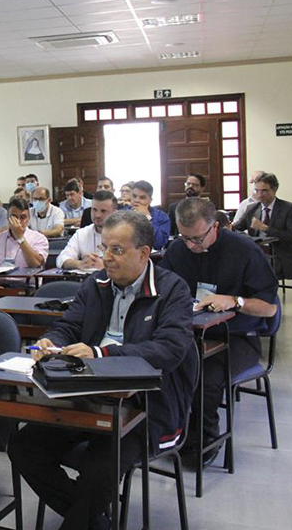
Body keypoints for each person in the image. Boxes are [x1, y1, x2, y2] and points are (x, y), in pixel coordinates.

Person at [11, 211, 197, 530]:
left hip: (147, 406)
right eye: (105, 248)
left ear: (143, 252)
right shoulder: (94, 284)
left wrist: (101, 352)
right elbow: (69, 326)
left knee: (100, 466)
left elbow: (169, 350)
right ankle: (91, 521)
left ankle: (79, 522)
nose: (106, 258)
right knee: (23, 446)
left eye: (117, 250)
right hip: (87, 396)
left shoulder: (172, 290)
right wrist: (49, 340)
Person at [164, 197, 279, 464]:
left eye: (197, 238)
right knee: (162, 366)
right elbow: (162, 286)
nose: (192, 245)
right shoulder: (179, 250)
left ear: (215, 226)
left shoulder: (244, 251)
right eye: (185, 237)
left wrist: (236, 302)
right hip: (191, 335)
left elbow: (269, 309)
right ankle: (168, 432)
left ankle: (204, 442)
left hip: (237, 338)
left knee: (204, 375)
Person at [234, 172, 292, 280]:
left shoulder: (288, 208)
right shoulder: (252, 208)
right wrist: (227, 226)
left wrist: (265, 228)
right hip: (256, 253)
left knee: (258, 274)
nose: (259, 195)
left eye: (264, 191)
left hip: (278, 255)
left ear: (274, 190)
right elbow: (238, 226)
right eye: (257, 191)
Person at [58, 191, 120, 271]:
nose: (97, 215)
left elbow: (130, 264)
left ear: (114, 213)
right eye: (94, 210)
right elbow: (61, 259)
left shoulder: (124, 235)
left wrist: (105, 265)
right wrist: (80, 264)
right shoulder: (82, 233)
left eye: (103, 211)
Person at [0, 197, 48, 269]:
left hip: (27, 279)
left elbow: (36, 264)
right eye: (14, 217)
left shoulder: (39, 238)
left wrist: (20, 237)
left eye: (23, 217)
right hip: (0, 279)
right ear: (7, 217)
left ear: (28, 218)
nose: (18, 221)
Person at [129, 180, 171, 251]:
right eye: (134, 196)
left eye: (142, 198)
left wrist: (148, 217)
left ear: (150, 200)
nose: (136, 200)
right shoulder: (122, 214)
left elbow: (159, 244)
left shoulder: (161, 216)